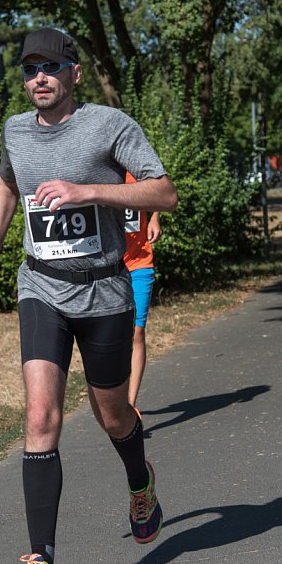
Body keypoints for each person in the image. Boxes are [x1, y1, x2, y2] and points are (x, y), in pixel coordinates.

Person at [0, 28, 178, 564]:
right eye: (30, 67)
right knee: (40, 417)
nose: (39, 77)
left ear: (73, 73)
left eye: (51, 68)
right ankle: (42, 563)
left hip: (105, 289)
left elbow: (163, 194)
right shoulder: (14, 129)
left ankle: (140, 483)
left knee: (112, 414)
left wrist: (90, 192)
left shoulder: (110, 125)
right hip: (41, 286)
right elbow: (7, 186)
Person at [123, 172, 162, 409]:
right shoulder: (97, 171)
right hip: (107, 267)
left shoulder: (135, 170)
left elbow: (161, 189)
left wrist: (155, 217)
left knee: (137, 333)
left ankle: (129, 405)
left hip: (139, 264)